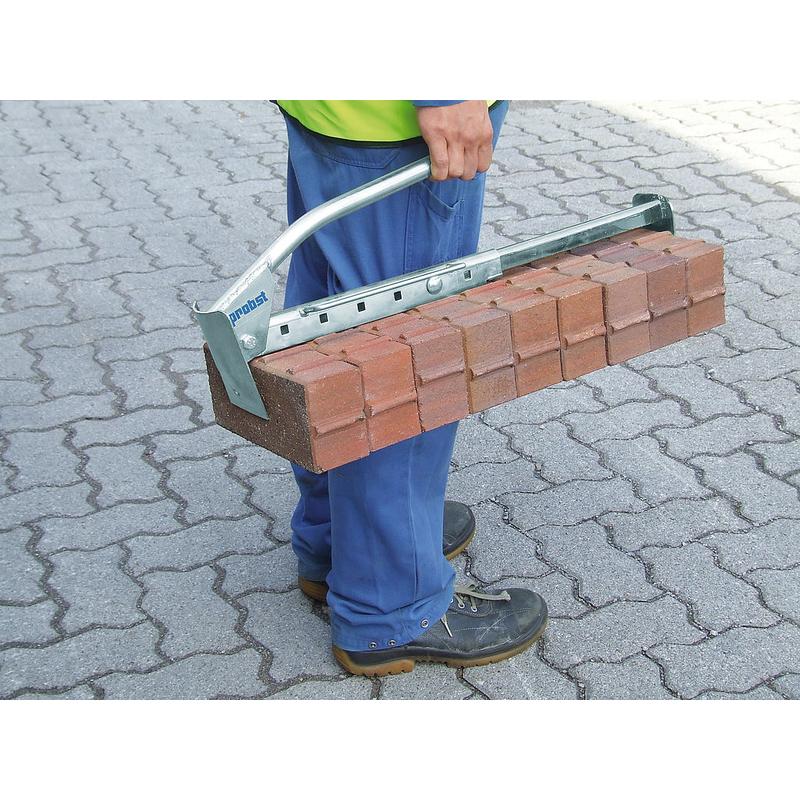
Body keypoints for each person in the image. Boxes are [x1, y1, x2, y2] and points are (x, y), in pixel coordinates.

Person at [275, 100, 548, 676]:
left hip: (336, 108)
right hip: (399, 124)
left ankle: (336, 543)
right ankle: (392, 606)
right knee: (405, 364)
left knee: (328, 329)